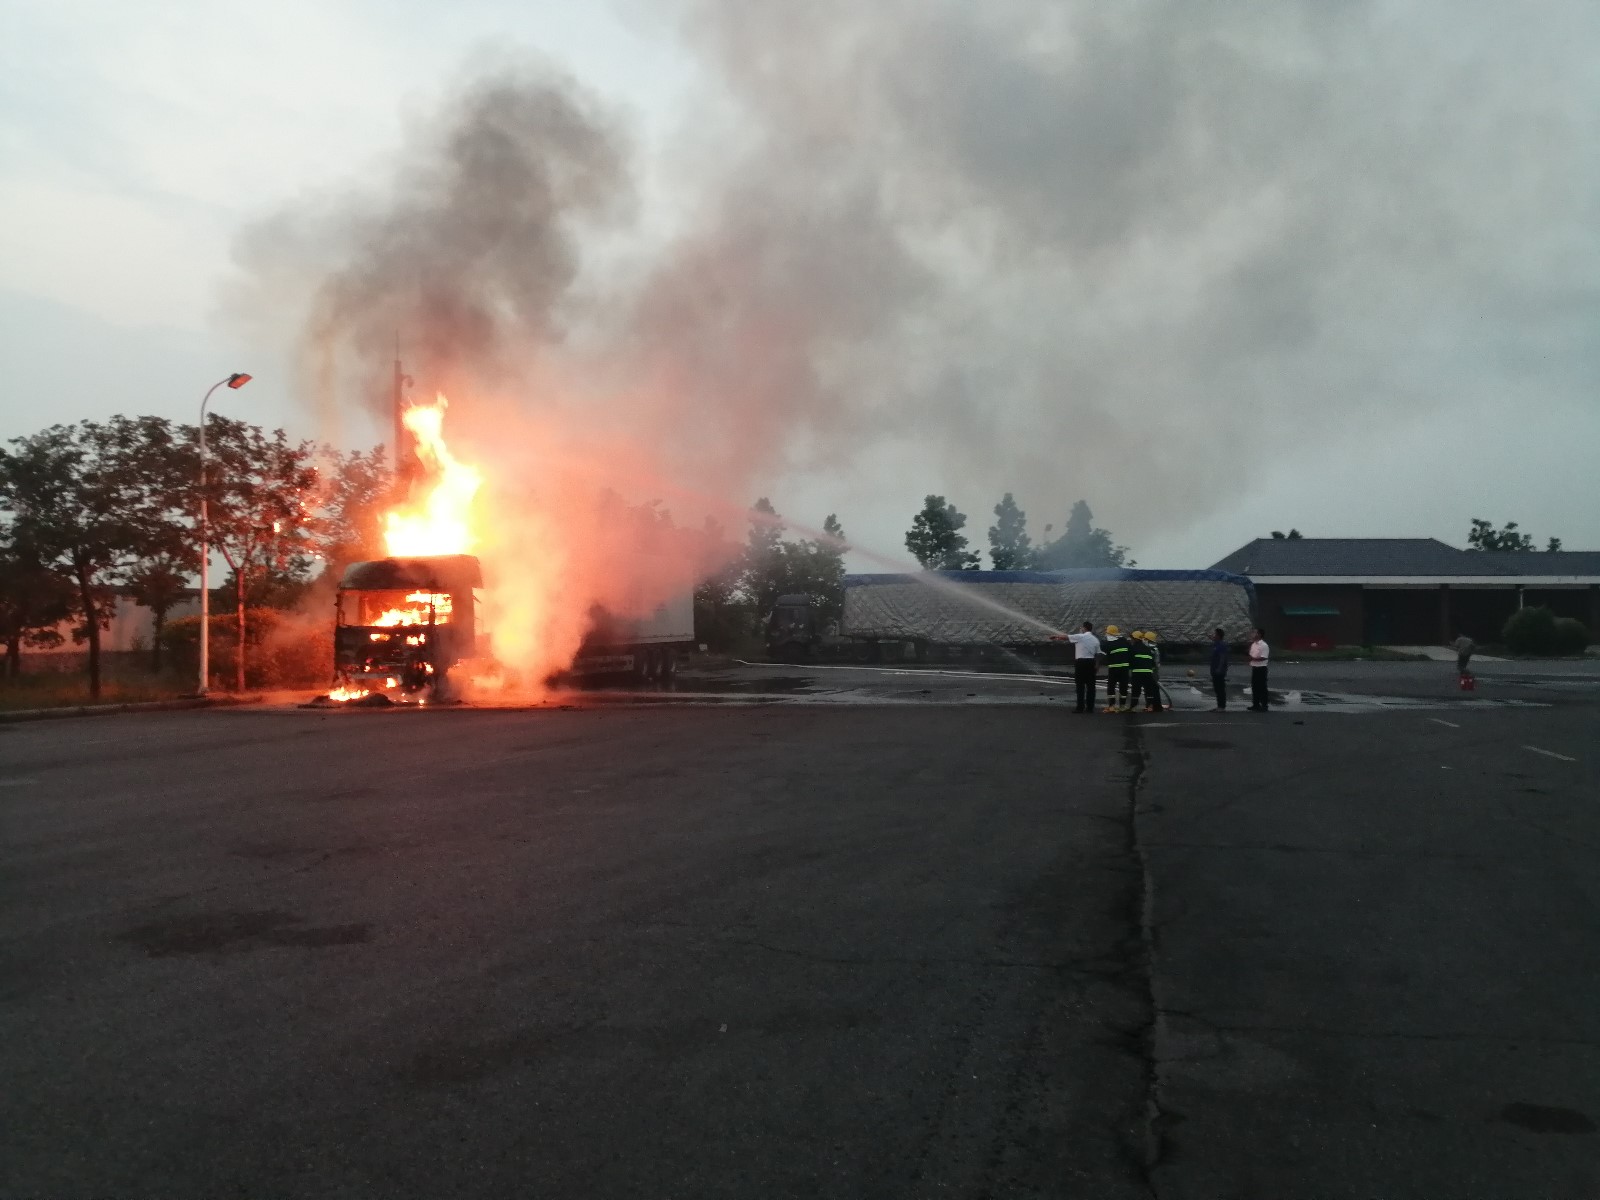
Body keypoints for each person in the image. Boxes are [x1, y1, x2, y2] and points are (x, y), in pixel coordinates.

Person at [1064, 621, 1102, 713]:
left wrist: (1055, 636)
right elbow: (1098, 654)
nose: (1080, 629)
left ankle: (1080, 707)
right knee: (1091, 686)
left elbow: (1065, 637)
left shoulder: (1080, 636)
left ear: (1084, 628)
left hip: (1080, 663)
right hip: (1091, 663)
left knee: (1080, 686)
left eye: (1081, 627)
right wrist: (1097, 665)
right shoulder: (1095, 640)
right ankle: (1090, 708)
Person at [1102, 624, 1131, 712]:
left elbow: (1104, 652)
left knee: (1111, 687)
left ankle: (1112, 706)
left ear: (1109, 633)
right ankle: (1122, 706)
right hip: (1124, 668)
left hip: (1114, 668)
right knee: (1123, 687)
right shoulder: (1124, 640)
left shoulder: (1108, 643)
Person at [1129, 631, 1157, 711]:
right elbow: (1153, 663)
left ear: (1135, 639)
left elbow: (1130, 660)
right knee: (1148, 690)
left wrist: (1129, 668)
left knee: (1136, 690)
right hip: (1148, 673)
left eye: (1132, 638)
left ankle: (1133, 707)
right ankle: (1149, 706)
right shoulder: (1147, 649)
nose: (1131, 640)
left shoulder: (1132, 648)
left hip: (1137, 672)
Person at [1248, 627, 1270, 711]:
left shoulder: (1264, 645)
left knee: (1262, 687)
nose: (1253, 634)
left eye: (1255, 633)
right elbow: (1251, 654)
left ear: (1260, 634)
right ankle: (1255, 704)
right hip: (1254, 667)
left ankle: (1264, 705)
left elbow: (1264, 657)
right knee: (1255, 686)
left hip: (1261, 668)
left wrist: (1253, 659)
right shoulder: (1253, 644)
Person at [1209, 627, 1229, 711]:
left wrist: (1219, 668)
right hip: (1214, 669)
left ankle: (1222, 706)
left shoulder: (1221, 645)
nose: (1213, 635)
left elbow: (1222, 658)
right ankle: (1219, 706)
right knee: (1216, 688)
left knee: (1220, 688)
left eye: (1214, 634)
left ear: (1218, 635)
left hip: (1219, 670)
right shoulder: (1216, 644)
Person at [1146, 630, 1164, 712]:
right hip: (1154, 671)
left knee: (1148, 688)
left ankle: (1150, 705)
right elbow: (1157, 662)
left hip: (1147, 670)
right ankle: (1157, 705)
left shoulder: (1146, 648)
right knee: (1155, 688)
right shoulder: (1155, 648)